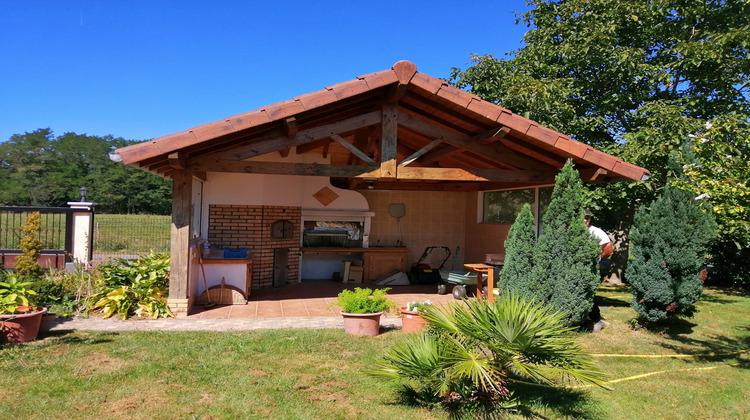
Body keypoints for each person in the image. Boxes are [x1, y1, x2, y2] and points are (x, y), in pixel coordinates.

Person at [584, 209, 613, 330]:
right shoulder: (569, 230)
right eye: (583, 217)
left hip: (589, 267)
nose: (585, 220)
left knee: (588, 292)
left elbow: (608, 250)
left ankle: (595, 318)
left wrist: (597, 260)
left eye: (588, 218)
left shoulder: (596, 232)